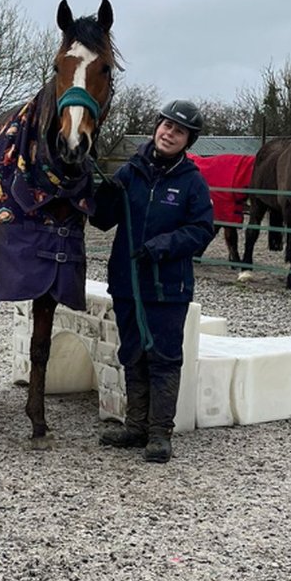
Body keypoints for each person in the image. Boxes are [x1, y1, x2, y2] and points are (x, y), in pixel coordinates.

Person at [89, 99, 215, 463]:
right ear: (157, 126)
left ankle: (160, 432)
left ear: (188, 140)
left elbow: (202, 230)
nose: (169, 134)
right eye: (167, 125)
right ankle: (136, 427)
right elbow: (102, 220)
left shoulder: (191, 182)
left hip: (167, 287)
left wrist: (163, 246)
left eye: (180, 131)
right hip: (128, 282)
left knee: (163, 357)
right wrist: (102, 195)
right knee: (132, 353)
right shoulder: (131, 172)